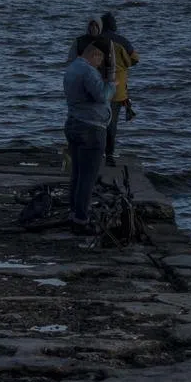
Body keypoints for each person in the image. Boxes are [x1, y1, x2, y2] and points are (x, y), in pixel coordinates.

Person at [63, 40, 115, 235]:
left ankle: (73, 211)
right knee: (88, 176)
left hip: (73, 123)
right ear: (95, 55)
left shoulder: (71, 69)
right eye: (99, 60)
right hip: (91, 128)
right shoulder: (88, 72)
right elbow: (101, 96)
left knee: (76, 172)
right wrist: (111, 85)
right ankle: (81, 219)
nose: (100, 65)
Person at [100, 12, 140, 166]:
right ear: (114, 25)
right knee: (112, 123)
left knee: (95, 120)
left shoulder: (95, 40)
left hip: (96, 87)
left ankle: (94, 151)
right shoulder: (123, 41)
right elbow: (135, 59)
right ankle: (109, 154)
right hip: (117, 91)